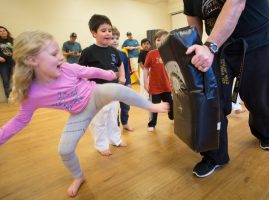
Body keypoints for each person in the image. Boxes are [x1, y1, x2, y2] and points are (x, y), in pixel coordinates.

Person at [0, 30, 169, 197]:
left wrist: (108, 74)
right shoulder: (32, 94)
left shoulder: (67, 69)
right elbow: (20, 120)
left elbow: (90, 71)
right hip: (79, 114)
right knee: (64, 150)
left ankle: (151, 106)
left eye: (59, 51)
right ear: (32, 60)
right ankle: (78, 176)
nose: (60, 57)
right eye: (53, 54)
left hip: (94, 95)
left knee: (114, 89)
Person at [183, 0, 269, 177]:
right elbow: (194, 24)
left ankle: (264, 131)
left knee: (261, 97)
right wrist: (196, 53)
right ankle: (214, 155)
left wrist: (210, 46)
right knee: (211, 100)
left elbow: (236, 3)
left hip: (258, 41)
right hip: (220, 47)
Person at [79, 14, 127, 156]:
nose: (108, 33)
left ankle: (115, 139)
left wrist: (123, 75)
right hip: (97, 91)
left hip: (113, 90)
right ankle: (101, 145)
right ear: (94, 33)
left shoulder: (114, 51)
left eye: (110, 30)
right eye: (103, 30)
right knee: (99, 119)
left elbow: (120, 64)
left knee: (113, 116)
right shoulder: (88, 52)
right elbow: (81, 71)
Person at [144, 30, 174, 132]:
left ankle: (172, 116)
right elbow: (145, 68)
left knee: (171, 104)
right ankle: (151, 124)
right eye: (158, 40)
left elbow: (173, 69)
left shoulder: (169, 53)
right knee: (154, 107)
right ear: (154, 41)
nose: (160, 42)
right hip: (154, 87)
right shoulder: (151, 54)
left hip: (167, 86)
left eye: (163, 40)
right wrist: (145, 83)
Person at [111, 26, 134, 132]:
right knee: (114, 109)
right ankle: (116, 126)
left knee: (125, 107)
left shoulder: (123, 54)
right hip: (111, 86)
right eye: (112, 38)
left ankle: (125, 123)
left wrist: (128, 83)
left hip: (123, 85)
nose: (115, 40)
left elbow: (126, 71)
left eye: (117, 38)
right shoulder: (105, 54)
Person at [0, 26, 14, 99]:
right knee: (6, 81)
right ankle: (9, 98)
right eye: (0, 31)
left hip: (13, 63)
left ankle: (19, 97)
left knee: (16, 79)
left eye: (4, 30)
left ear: (7, 31)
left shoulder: (12, 40)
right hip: (3, 65)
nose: (2, 32)